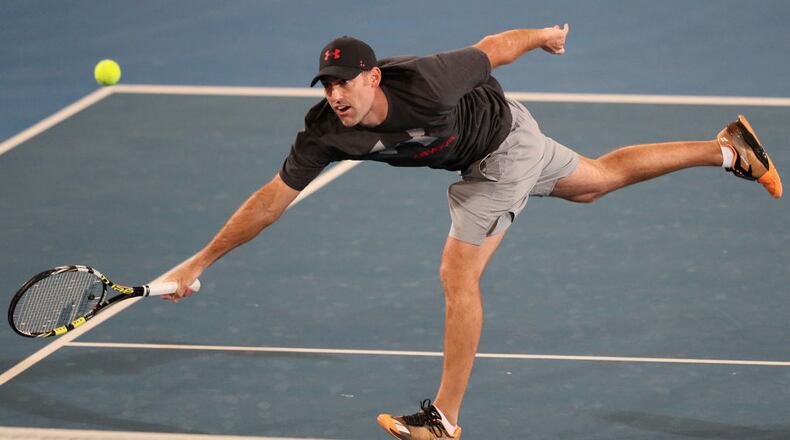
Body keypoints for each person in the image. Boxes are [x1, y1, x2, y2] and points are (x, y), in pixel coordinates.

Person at [161, 24, 782, 439]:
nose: (335, 94)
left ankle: (442, 420)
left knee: (458, 274)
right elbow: (273, 200)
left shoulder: (426, 80)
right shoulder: (326, 130)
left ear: (373, 76)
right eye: (326, 84)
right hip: (507, 139)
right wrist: (200, 260)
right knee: (596, 181)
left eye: (343, 81)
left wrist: (542, 36)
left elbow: (495, 47)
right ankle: (727, 150)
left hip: (502, 148)